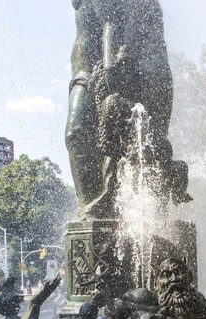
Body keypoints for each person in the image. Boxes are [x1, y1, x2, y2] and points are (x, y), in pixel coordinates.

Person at [66, 0, 190, 218]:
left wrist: (113, 75)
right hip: (87, 71)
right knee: (76, 133)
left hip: (140, 71)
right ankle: (91, 215)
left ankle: (153, 221)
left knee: (148, 147)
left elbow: (112, 24)